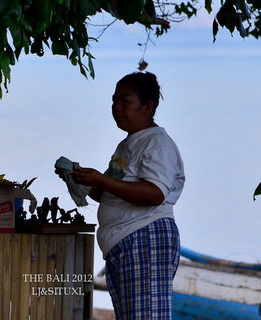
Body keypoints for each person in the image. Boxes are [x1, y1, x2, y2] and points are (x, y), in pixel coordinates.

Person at [69, 71, 185, 320]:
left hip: (144, 237)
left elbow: (154, 194)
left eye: (125, 101)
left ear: (148, 107)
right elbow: (110, 193)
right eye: (114, 101)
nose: (117, 108)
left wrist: (101, 178)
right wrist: (82, 180)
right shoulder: (128, 144)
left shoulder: (157, 144)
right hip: (123, 242)